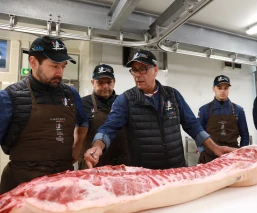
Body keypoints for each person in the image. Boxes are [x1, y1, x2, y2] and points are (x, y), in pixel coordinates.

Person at [84, 49, 235, 169]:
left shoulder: (172, 95)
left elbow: (192, 125)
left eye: (143, 69)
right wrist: (97, 146)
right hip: (145, 173)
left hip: (176, 169)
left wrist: (214, 147)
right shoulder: (126, 99)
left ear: (155, 70)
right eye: (134, 70)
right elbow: (109, 128)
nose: (137, 75)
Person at [0, 36, 88, 194]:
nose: (60, 73)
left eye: (63, 66)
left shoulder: (71, 94)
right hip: (22, 183)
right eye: (54, 66)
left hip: (62, 182)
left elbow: (83, 122)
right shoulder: (10, 96)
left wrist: (78, 146)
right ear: (33, 62)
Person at [78, 64, 128, 169]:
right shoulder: (82, 104)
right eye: (100, 82)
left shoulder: (124, 102)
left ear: (114, 82)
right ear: (92, 82)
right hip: (92, 164)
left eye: (109, 82)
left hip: (121, 165)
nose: (105, 86)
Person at [197, 75, 250, 163]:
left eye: (226, 88)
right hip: (210, 156)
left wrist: (241, 153)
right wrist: (202, 150)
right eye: (219, 87)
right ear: (213, 88)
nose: (223, 91)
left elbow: (245, 135)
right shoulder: (204, 109)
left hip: (232, 156)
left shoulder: (238, 110)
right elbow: (198, 133)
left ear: (229, 89)